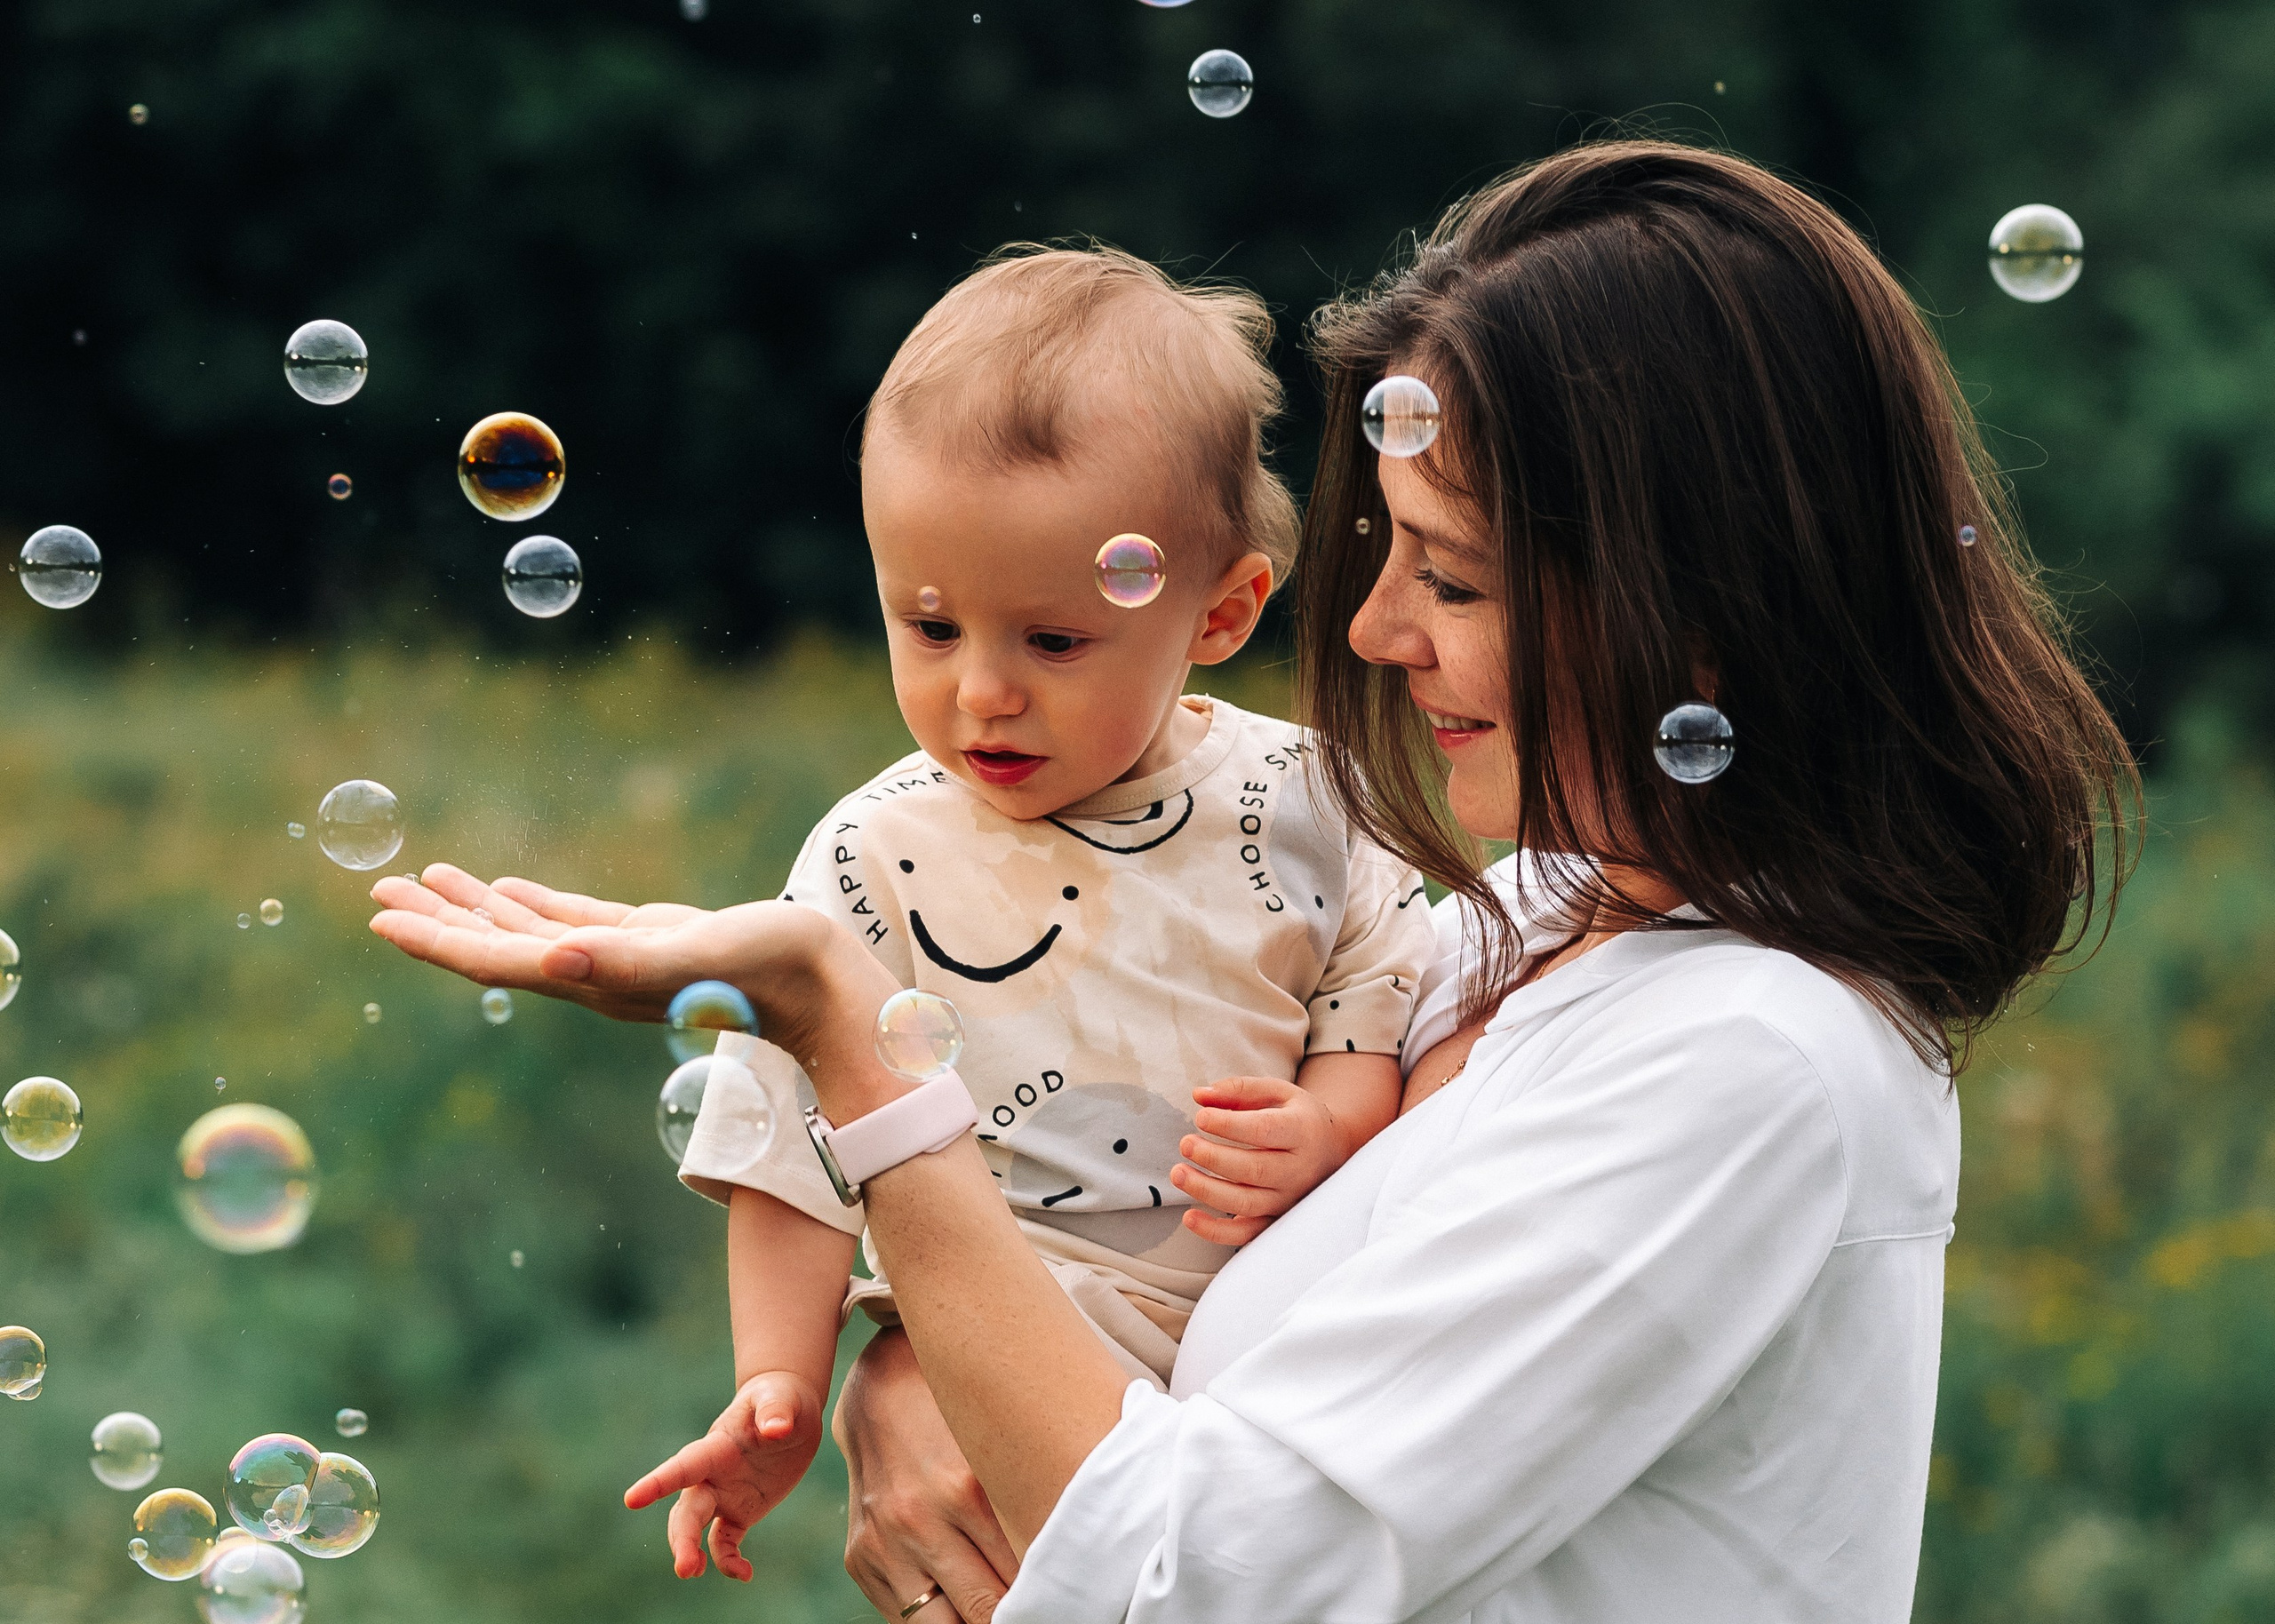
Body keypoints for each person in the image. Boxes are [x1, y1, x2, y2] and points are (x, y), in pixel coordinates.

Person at [370, 140, 2137, 1621]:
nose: (1370, 630)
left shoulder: (1744, 1061)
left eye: (1450, 578)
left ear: (1694, 604)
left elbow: (1188, 1579)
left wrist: (844, 1035)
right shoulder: (1530, 923)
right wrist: (902, 1370)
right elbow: (1126, 1295)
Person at [386, 244, 1436, 1579]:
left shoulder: (1307, 796)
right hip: (1005, 1360)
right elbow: (792, 1147)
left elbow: (1375, 990)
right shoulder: (873, 858)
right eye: (931, 628)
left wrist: (1329, 1124)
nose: (982, 693)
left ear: (1220, 613)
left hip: (1275, 1360)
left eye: (1052, 641)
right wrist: (779, 1384)